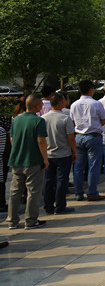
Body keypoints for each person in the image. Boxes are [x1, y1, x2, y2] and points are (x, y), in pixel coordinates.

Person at [7, 95, 49, 229]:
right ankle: (31, 220)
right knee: (33, 191)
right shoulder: (38, 121)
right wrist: (45, 159)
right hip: (33, 160)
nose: (42, 106)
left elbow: (12, 139)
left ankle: (12, 221)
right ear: (37, 106)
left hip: (16, 159)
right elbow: (41, 141)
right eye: (41, 104)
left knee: (15, 191)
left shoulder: (16, 120)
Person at [71, 79, 105, 202]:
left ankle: (78, 193)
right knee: (93, 166)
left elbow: (73, 121)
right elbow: (104, 120)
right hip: (93, 136)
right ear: (91, 90)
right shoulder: (96, 104)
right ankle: (92, 192)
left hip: (78, 136)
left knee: (78, 167)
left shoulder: (74, 104)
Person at [42, 93, 76, 215]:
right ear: (60, 103)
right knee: (62, 180)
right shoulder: (65, 118)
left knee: (48, 181)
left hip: (48, 154)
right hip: (63, 154)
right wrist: (74, 151)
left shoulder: (43, 118)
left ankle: (48, 206)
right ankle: (60, 206)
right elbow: (71, 138)